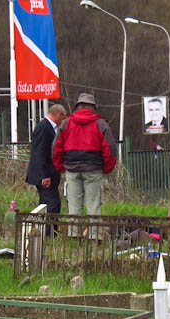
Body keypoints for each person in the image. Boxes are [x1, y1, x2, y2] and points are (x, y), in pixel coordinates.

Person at [52, 93, 118, 235]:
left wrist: (61, 167)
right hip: (93, 169)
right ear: (92, 107)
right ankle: (95, 237)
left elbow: (56, 147)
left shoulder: (66, 123)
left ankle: (74, 235)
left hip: (72, 169)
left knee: (74, 205)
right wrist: (107, 168)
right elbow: (110, 149)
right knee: (94, 205)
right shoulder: (100, 124)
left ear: (78, 107)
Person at [25, 103, 66, 230]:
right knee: (52, 203)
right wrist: (45, 175)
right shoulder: (44, 127)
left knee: (47, 203)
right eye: (63, 118)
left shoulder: (48, 127)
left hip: (48, 175)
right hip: (44, 176)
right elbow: (40, 153)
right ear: (58, 115)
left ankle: (43, 230)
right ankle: (48, 232)